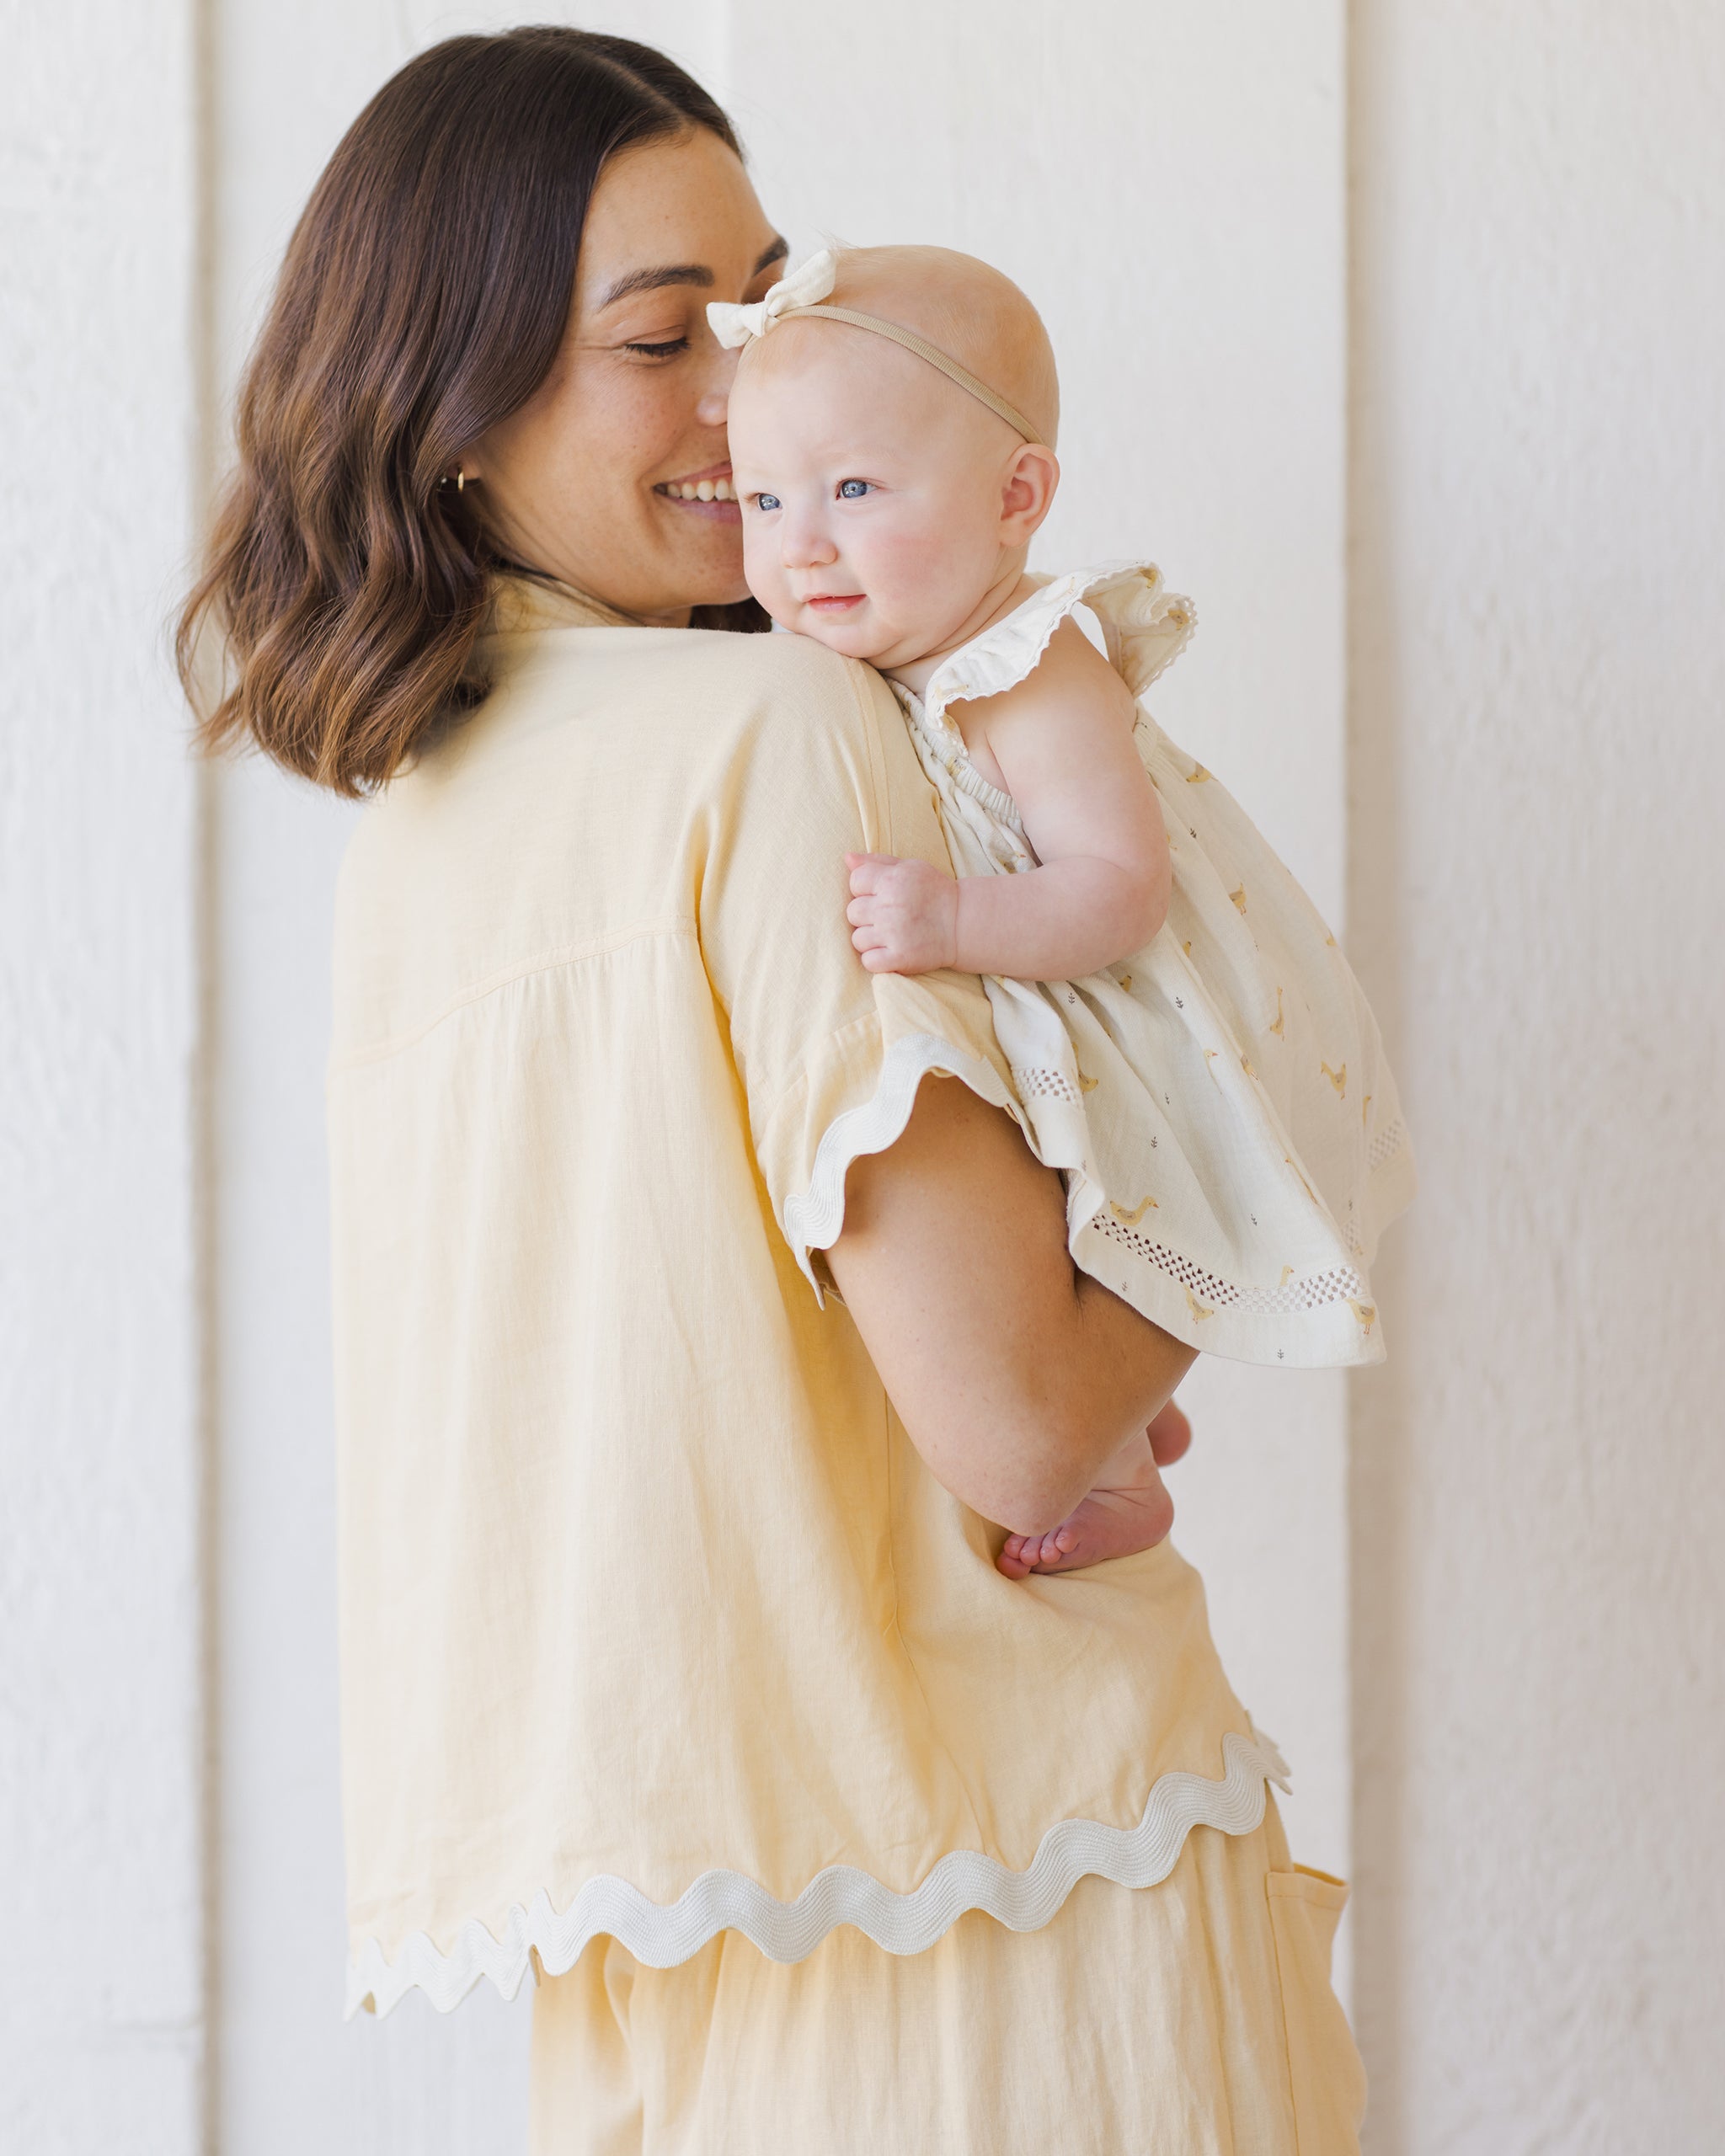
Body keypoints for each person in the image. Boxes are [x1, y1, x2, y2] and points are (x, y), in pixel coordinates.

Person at [179, 27, 1366, 2152]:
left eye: (763, 305)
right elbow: (1020, 1424)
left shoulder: (419, 840)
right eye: (663, 339)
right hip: (1001, 1903)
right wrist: (1250, 1191)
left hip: (672, 1960)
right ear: (453, 410)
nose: (751, 389)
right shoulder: (785, 738)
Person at [718, 243, 1415, 1577]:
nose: (799, 544)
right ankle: (1131, 1437)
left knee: (1115, 1175)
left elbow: (1117, 888)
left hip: (1136, 992)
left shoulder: (1027, 670)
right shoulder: (886, 658)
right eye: (763, 499)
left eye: (855, 489)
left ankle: (1112, 1476)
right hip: (1056, 987)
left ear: (1016, 496)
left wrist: (951, 927)